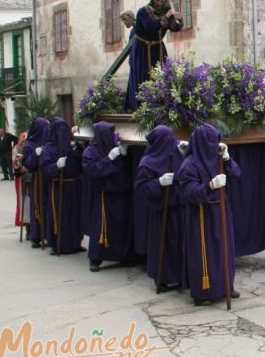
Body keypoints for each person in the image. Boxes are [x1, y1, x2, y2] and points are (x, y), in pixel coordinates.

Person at [177, 123, 241, 305]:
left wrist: (228, 159)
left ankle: (225, 285)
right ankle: (203, 291)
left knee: (224, 249)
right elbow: (187, 193)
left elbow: (237, 174)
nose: (215, 145)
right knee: (204, 252)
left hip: (221, 209)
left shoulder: (219, 159)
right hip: (201, 214)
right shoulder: (189, 165)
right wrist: (209, 185)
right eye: (211, 142)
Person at [134, 125, 185, 289]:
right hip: (160, 209)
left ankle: (181, 276)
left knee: (179, 244)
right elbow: (141, 187)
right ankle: (161, 277)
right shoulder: (148, 162)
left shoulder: (178, 154)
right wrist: (159, 183)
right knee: (162, 244)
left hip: (178, 206)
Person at [82, 121, 133, 271]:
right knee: (101, 227)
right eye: (109, 134)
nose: (112, 136)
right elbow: (91, 171)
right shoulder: (90, 152)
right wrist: (108, 159)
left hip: (120, 193)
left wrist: (124, 156)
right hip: (104, 195)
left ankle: (124, 255)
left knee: (122, 226)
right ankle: (96, 258)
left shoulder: (115, 148)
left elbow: (125, 170)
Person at [124, 0, 183, 111]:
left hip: (158, 49)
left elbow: (175, 27)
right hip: (142, 49)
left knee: (162, 76)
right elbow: (150, 26)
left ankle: (161, 104)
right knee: (143, 77)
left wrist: (179, 19)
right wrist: (166, 17)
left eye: (163, 1)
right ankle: (141, 106)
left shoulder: (166, 14)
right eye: (158, 0)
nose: (160, 3)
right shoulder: (143, 11)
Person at [41, 117, 84, 255]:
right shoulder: (49, 148)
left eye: (65, 130)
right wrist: (56, 166)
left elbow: (81, 159)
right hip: (58, 186)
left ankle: (75, 242)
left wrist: (77, 148)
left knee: (75, 215)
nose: (62, 133)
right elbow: (45, 168)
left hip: (74, 184)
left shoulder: (71, 144)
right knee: (60, 216)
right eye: (59, 130)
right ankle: (57, 244)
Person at [21, 118, 50, 248]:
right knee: (38, 207)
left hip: (48, 178)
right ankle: (36, 236)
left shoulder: (49, 141)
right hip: (37, 178)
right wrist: (35, 155)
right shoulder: (29, 144)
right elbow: (27, 163)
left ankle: (49, 235)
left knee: (49, 207)